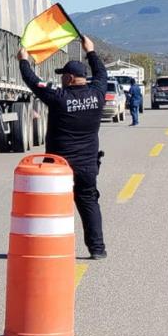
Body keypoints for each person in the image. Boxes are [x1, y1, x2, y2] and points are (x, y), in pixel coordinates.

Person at [17, 36, 108, 260]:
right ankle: (97, 249)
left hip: (59, 166)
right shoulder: (97, 93)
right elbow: (102, 74)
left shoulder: (59, 97)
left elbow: (32, 82)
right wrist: (91, 51)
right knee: (89, 203)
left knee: (52, 208)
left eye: (63, 76)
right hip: (87, 165)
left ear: (69, 77)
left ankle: (50, 249)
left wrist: (23, 60)